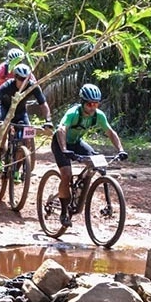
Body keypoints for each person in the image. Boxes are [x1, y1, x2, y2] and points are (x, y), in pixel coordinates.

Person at [51, 83, 127, 226]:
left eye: (96, 104)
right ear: (83, 103)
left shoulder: (98, 115)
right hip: (60, 143)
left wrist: (121, 149)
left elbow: (110, 132)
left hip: (77, 142)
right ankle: (63, 212)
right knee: (66, 175)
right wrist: (65, 149)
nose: (93, 107)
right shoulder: (73, 113)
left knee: (98, 163)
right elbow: (61, 130)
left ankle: (81, 190)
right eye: (90, 104)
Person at [0, 64, 52, 166]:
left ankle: (17, 168)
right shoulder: (8, 85)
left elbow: (43, 104)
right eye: (20, 79)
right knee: (3, 128)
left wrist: (48, 120)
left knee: (27, 138)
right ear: (15, 77)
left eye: (26, 79)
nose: (23, 82)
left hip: (20, 112)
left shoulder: (32, 86)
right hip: (4, 110)